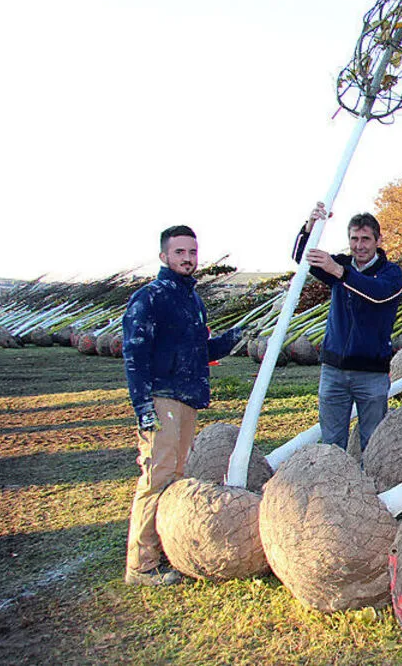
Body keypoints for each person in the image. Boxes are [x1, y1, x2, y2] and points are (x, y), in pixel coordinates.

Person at [121, 225, 244, 586]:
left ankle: (162, 550)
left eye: (192, 252)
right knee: (156, 477)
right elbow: (135, 355)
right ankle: (141, 565)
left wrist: (231, 340)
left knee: (176, 478)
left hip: (186, 400)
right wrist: (143, 406)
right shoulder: (150, 298)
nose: (188, 259)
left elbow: (198, 352)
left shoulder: (192, 301)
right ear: (164, 256)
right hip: (161, 399)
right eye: (179, 252)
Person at [292, 204, 402, 452]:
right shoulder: (341, 265)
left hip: (371, 373)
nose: (359, 245)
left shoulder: (391, 273)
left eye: (366, 239)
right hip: (334, 371)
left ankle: (370, 477)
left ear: (378, 240)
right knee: (331, 443)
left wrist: (339, 272)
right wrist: (310, 227)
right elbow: (301, 257)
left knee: (372, 444)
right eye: (354, 239)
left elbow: (377, 294)